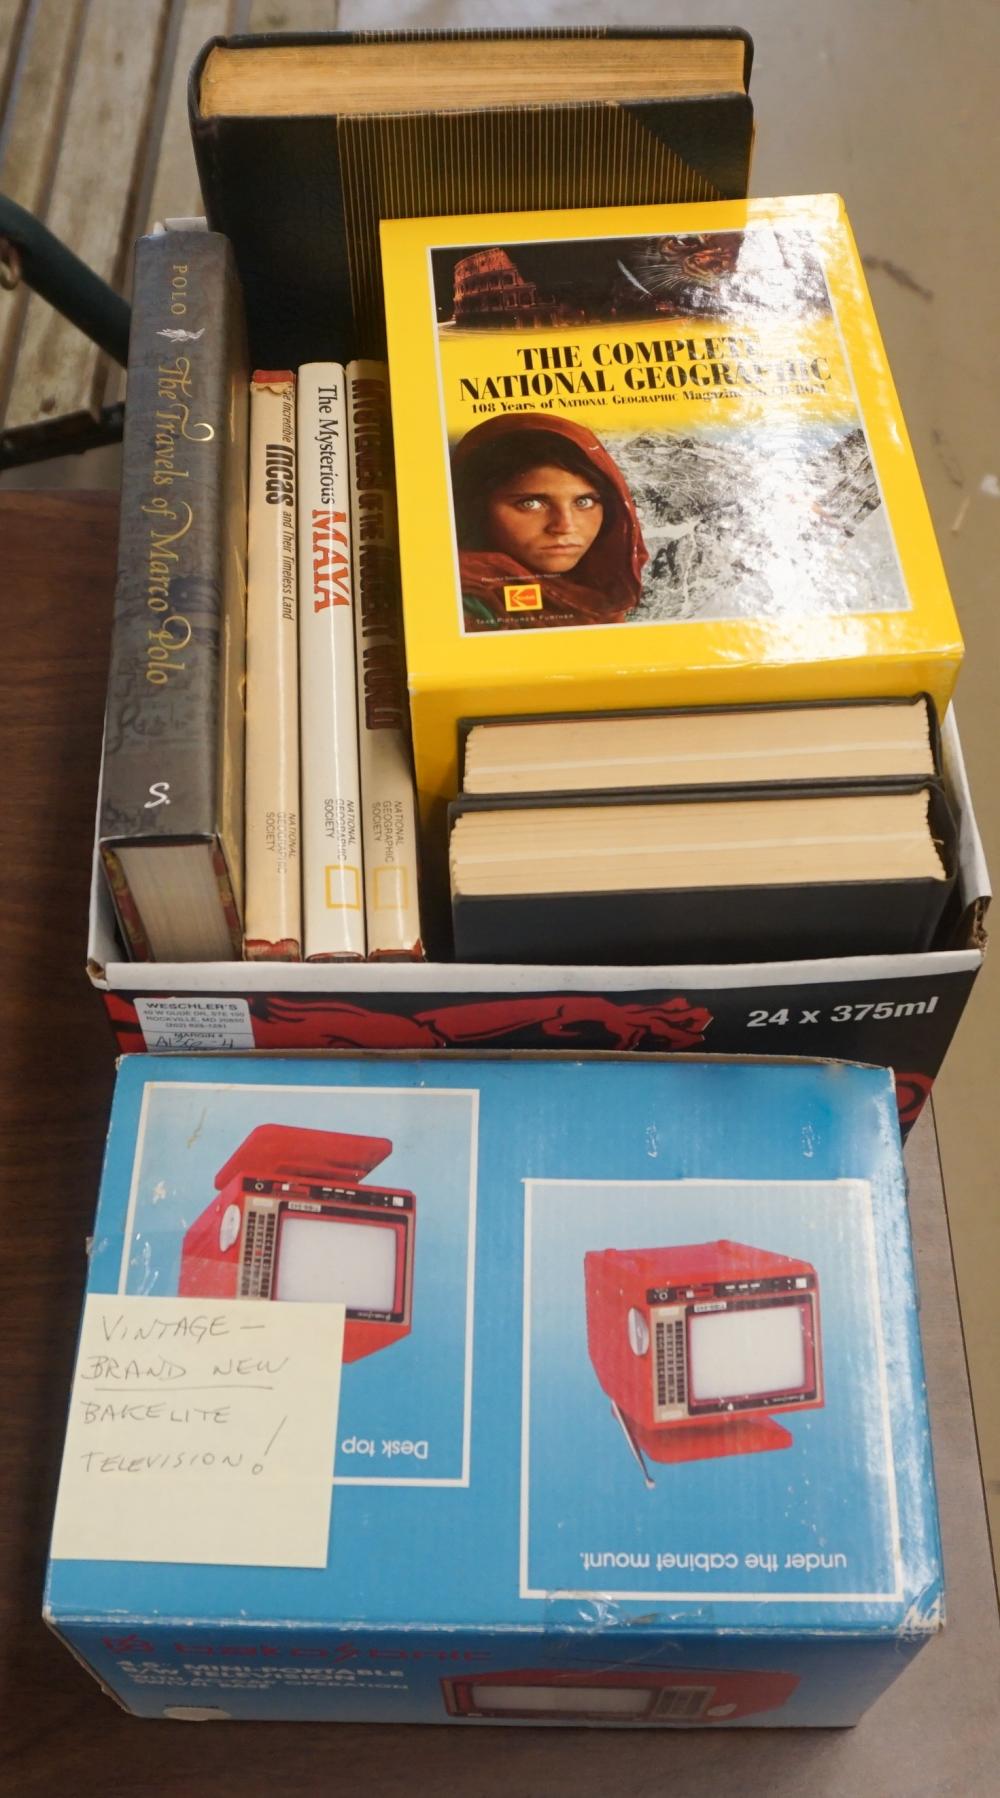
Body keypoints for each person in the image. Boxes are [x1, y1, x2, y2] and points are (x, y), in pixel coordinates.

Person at [450, 413, 648, 629]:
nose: (565, 527)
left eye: (584, 502)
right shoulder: (465, 600)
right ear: (477, 507)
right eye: (531, 504)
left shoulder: (599, 593)